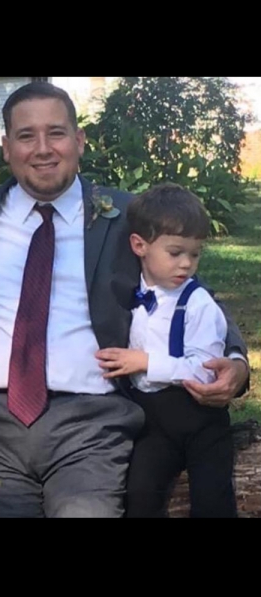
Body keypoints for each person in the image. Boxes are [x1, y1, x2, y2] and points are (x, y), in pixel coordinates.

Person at [0, 81, 249, 518]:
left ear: (79, 140)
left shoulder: (127, 216)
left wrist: (235, 360)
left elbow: (193, 291)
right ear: (6, 148)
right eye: (26, 136)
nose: (43, 149)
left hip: (91, 423)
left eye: (56, 133)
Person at [96, 183, 238, 517]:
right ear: (139, 246)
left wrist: (146, 362)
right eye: (176, 253)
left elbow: (205, 371)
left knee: (213, 501)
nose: (186, 264)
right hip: (153, 422)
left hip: (201, 420)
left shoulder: (198, 303)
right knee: (140, 496)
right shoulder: (130, 294)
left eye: (195, 254)